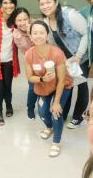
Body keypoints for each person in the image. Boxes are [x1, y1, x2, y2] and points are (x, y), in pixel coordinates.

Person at [38, 0, 89, 129]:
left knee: (82, 87)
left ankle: (78, 117)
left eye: (48, 2)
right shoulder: (45, 22)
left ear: (56, 2)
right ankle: (64, 113)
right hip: (66, 61)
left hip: (81, 57)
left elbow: (86, 34)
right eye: (42, 4)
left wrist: (78, 56)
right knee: (67, 85)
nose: (45, 6)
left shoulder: (70, 14)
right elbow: (51, 45)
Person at [24, 20, 73, 157]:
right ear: (30, 35)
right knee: (43, 111)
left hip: (62, 86)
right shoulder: (29, 54)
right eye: (35, 33)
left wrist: (56, 103)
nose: (38, 36)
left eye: (41, 32)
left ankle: (56, 142)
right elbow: (30, 77)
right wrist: (42, 79)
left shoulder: (57, 53)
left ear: (47, 34)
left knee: (56, 113)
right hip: (44, 85)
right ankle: (49, 127)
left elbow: (62, 79)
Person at [11, 7, 37, 120]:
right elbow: (28, 51)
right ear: (15, 22)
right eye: (19, 20)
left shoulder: (36, 25)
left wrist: (32, 31)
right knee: (32, 87)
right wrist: (29, 34)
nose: (22, 23)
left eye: (25, 19)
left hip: (46, 59)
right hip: (31, 62)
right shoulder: (16, 34)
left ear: (29, 18)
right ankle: (30, 108)